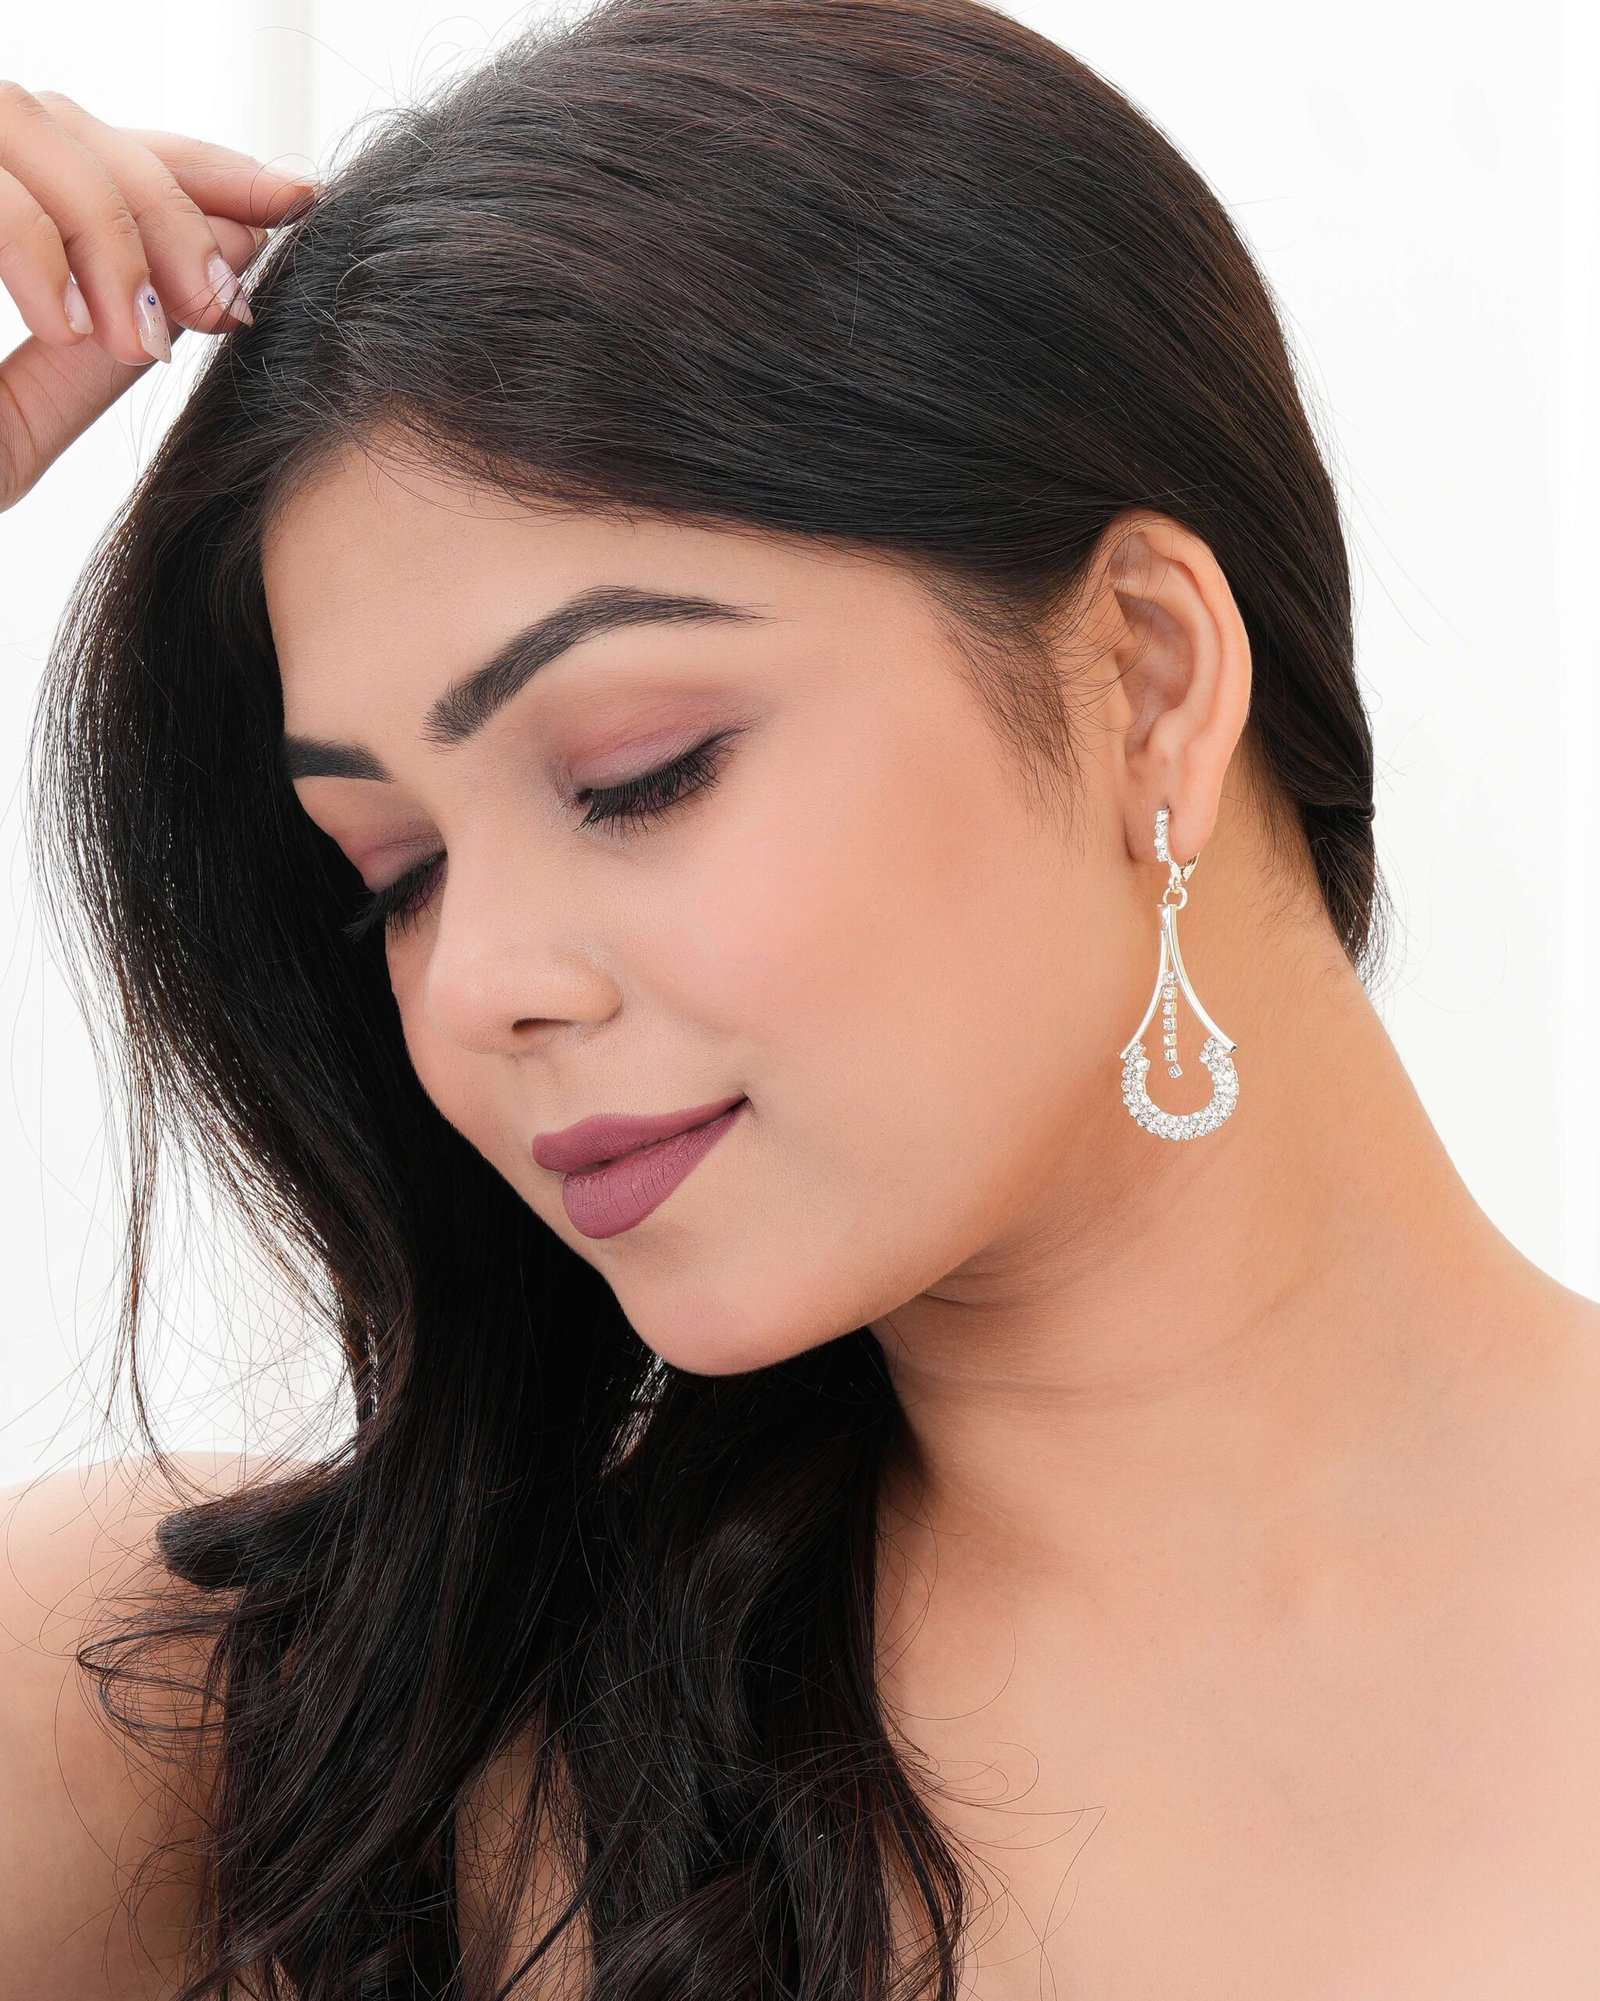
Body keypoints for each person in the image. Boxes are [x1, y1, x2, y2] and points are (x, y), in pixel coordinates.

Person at [2, 1, 1597, 1995]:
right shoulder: (276, 1719)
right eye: (392, 875)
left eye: (638, 771)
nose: (478, 983)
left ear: (1147, 675)